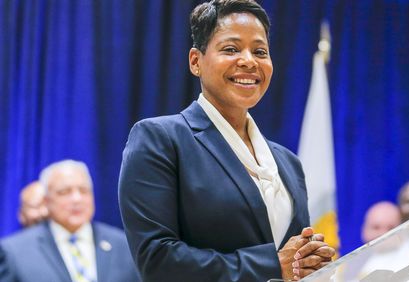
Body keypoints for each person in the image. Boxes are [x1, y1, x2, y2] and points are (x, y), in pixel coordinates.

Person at [118, 0, 335, 281]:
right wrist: (271, 264)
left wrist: (311, 260)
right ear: (196, 61)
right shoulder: (160, 139)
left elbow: (296, 260)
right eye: (231, 49)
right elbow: (157, 260)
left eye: (260, 51)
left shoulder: (288, 162)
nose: (249, 61)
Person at [0, 160, 140, 282]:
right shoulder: (14, 252)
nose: (76, 199)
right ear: (46, 201)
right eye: (64, 192)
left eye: (83, 190)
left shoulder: (125, 245)